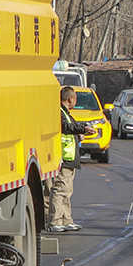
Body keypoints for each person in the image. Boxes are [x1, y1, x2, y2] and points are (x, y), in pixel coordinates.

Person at [48, 85, 91, 232]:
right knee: (60, 190)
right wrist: (82, 129)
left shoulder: (66, 113)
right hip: (64, 159)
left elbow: (70, 127)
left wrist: (79, 133)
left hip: (69, 158)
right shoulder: (59, 113)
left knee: (67, 191)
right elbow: (66, 127)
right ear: (71, 99)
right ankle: (55, 221)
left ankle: (66, 220)